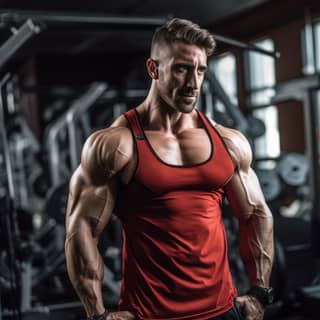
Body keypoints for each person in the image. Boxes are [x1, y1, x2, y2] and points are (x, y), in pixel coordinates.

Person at [65, 18, 274, 320]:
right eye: (181, 69)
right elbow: (81, 227)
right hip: (151, 314)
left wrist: (259, 292)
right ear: (154, 69)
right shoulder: (117, 145)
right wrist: (97, 314)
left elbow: (255, 214)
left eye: (200, 70)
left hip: (223, 311)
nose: (193, 83)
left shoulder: (228, 142)